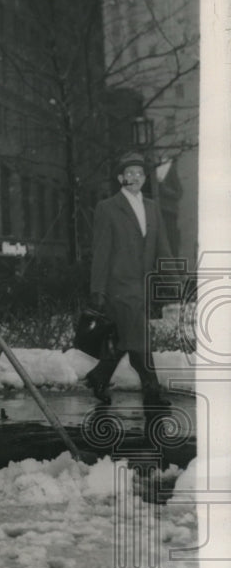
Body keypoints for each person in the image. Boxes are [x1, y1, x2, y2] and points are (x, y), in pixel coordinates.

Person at [85, 152, 173, 407]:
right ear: (120, 178)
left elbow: (163, 247)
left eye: (139, 173)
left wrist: (173, 281)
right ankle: (153, 392)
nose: (134, 177)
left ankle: (99, 376)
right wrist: (97, 290)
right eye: (129, 173)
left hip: (142, 286)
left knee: (128, 340)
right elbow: (101, 252)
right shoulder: (108, 208)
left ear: (145, 179)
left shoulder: (153, 208)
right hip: (119, 287)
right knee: (139, 339)